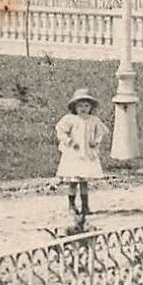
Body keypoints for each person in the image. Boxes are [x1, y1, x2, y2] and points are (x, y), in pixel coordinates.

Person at [55, 88, 107, 220]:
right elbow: (61, 131)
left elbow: (100, 132)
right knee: (73, 181)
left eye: (86, 106)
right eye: (80, 106)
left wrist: (96, 141)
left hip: (87, 154)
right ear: (74, 107)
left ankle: (85, 205)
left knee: (84, 181)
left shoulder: (94, 120)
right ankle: (71, 205)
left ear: (91, 107)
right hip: (74, 154)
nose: (83, 109)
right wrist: (69, 141)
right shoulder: (70, 119)